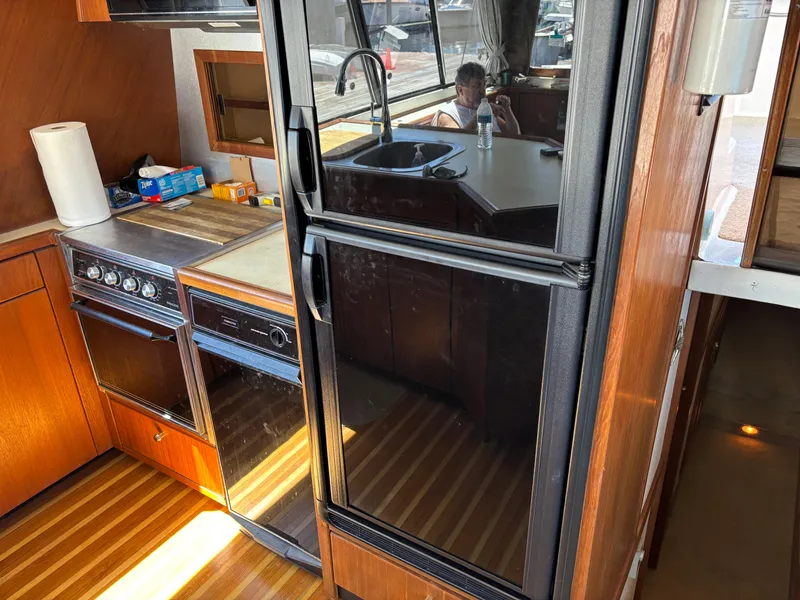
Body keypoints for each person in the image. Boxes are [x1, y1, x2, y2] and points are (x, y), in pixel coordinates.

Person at [432, 62, 520, 135]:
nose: (482, 90)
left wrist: (507, 109)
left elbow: (515, 135)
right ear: (460, 90)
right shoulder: (447, 115)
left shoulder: (483, 107)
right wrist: (479, 116)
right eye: (477, 86)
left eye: (484, 84)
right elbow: (458, 143)